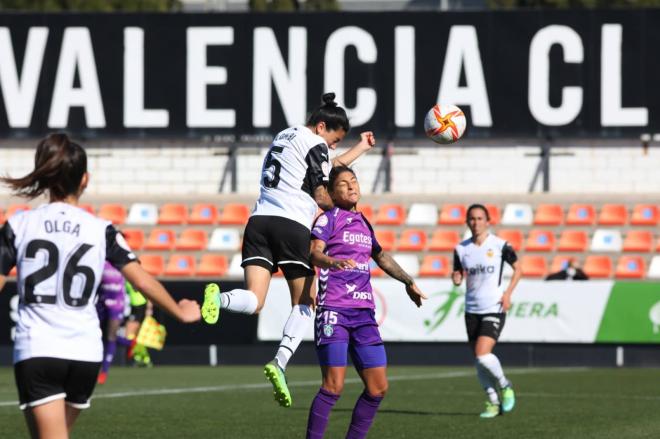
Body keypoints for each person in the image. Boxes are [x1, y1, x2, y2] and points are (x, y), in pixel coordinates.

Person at [0, 133, 200, 439]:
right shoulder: (101, 229)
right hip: (85, 354)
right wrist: (179, 311)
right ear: (85, 180)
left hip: (38, 349)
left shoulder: (19, 225)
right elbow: (141, 278)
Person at [202, 93, 375, 407]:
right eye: (334, 139)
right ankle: (279, 362)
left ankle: (219, 298)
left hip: (257, 222)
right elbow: (322, 193)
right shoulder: (315, 144)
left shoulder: (286, 135)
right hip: (291, 224)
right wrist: (343, 208)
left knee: (254, 300)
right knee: (307, 302)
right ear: (322, 126)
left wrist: (359, 149)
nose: (333, 147)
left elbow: (323, 167)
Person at [305, 166, 427, 439]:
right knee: (333, 387)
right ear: (332, 193)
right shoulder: (328, 220)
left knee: (378, 388)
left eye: (354, 181)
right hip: (334, 310)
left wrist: (408, 281)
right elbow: (314, 253)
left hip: (363, 315)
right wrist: (332, 261)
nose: (351, 187)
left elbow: (381, 257)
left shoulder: (363, 223)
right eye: (344, 184)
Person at [452, 204, 522, 418]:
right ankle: (492, 402)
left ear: (488, 221)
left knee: (483, 355)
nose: (476, 222)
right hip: (471, 309)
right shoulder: (461, 249)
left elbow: (519, 268)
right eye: (472, 219)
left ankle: (505, 385)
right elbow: (457, 274)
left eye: (480, 218)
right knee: (478, 360)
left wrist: (508, 293)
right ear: (467, 222)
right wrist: (456, 278)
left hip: (493, 307)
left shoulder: (501, 246)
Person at [95, 261, 133, 384]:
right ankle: (130, 343)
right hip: (101, 302)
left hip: (117, 303)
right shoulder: (101, 259)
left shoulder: (121, 260)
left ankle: (104, 371)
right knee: (98, 334)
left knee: (110, 336)